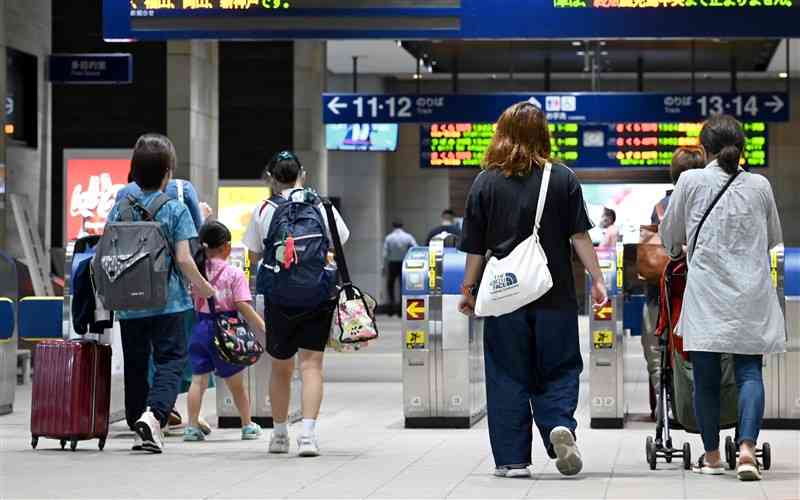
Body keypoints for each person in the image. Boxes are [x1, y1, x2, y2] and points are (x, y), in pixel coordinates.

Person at [457, 102, 608, 478]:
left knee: (507, 372)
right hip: (554, 294)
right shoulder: (563, 178)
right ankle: (558, 422)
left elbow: (475, 246)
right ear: (544, 134)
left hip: (505, 297)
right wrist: (598, 278)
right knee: (559, 366)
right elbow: (579, 235)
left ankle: (512, 461)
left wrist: (468, 289)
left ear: (502, 133)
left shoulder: (485, 182)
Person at [660, 115, 785, 481]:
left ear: (705, 149)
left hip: (707, 295)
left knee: (706, 376)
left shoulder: (690, 180)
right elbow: (773, 237)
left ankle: (713, 456)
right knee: (749, 372)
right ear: (741, 147)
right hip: (750, 294)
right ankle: (747, 451)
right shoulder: (760, 185)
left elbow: (671, 239)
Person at [106, 133, 216, 454]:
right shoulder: (174, 209)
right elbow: (183, 258)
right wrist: (203, 285)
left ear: (134, 170)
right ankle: (154, 417)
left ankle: (137, 420)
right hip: (169, 303)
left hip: (129, 304)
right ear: (168, 172)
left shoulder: (120, 208)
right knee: (171, 360)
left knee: (137, 364)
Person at [242, 150, 349, 458]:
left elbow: (253, 254)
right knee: (312, 365)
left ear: (271, 178)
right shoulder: (320, 204)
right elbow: (341, 240)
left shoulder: (264, 208)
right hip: (317, 295)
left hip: (278, 299)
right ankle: (308, 436)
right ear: (303, 173)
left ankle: (278, 436)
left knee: (280, 367)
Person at [183, 221, 266, 442]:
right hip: (225, 332)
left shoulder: (197, 271)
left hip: (200, 328)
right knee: (236, 384)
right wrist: (262, 326)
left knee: (198, 381)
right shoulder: (233, 273)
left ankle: (191, 426)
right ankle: (247, 425)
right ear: (226, 247)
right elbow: (243, 305)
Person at [642, 146, 706, 420]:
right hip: (703, 295)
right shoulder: (710, 201)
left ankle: (664, 404)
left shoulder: (661, 206)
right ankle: (697, 405)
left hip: (663, 294)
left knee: (657, 348)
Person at [383, 220, 417, 316]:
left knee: (390, 286)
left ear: (393, 226)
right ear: (402, 226)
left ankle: (391, 309)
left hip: (392, 263)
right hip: (404, 263)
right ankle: (401, 310)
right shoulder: (408, 237)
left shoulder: (389, 237)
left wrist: (383, 266)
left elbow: (385, 254)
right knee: (403, 286)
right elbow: (415, 247)